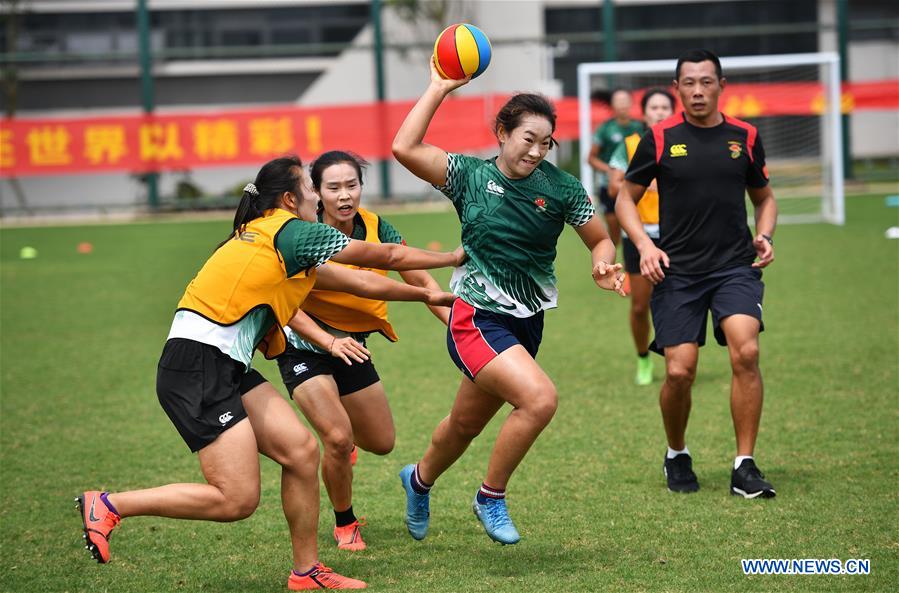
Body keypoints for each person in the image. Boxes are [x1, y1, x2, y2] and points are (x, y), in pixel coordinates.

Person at [77, 155, 462, 590]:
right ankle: (109, 505)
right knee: (236, 499)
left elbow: (361, 283)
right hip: (198, 366)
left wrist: (438, 300)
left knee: (301, 451)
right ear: (288, 199)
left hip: (223, 365)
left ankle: (306, 571)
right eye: (313, 191)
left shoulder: (274, 237)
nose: (321, 198)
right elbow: (385, 255)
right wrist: (452, 255)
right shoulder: (291, 232)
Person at [390, 58, 626, 546]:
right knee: (539, 400)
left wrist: (602, 263)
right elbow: (404, 147)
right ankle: (490, 496)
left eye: (547, 143)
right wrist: (438, 88)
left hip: (528, 320)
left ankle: (418, 480)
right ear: (502, 132)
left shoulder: (561, 189)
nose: (537, 151)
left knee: (463, 425)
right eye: (528, 139)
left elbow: (601, 241)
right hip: (475, 316)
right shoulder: (468, 176)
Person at [615, 49, 779, 498]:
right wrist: (645, 246)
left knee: (746, 352)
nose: (698, 90)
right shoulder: (660, 137)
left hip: (734, 267)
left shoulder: (744, 136)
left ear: (721, 85)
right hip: (679, 271)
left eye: (706, 81)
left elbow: (764, 198)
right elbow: (625, 198)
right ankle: (676, 452)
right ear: (677, 89)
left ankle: (744, 465)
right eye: (689, 83)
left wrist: (764, 235)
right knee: (680, 371)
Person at [275, 150, 450, 552]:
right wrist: (325, 340)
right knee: (336, 438)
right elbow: (283, 304)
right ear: (315, 193)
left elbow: (422, 282)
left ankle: (344, 451)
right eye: (332, 187)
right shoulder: (301, 231)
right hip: (302, 347)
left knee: (382, 441)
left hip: (353, 348)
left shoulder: (374, 227)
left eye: (351, 185)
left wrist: (459, 326)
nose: (343, 195)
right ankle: (345, 522)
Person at [608, 88, 676, 386]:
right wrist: (642, 185)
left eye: (665, 107)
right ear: (644, 113)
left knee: (677, 300)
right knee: (640, 304)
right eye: (654, 107)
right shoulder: (631, 145)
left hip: (676, 234)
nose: (660, 112)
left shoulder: (683, 143)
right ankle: (643, 358)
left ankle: (677, 358)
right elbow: (613, 188)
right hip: (639, 235)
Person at [587, 88, 644, 246]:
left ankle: (633, 260)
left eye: (625, 100)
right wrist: (612, 169)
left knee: (634, 225)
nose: (622, 105)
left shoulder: (640, 127)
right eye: (618, 101)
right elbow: (591, 159)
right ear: (612, 105)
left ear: (631, 103)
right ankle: (612, 257)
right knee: (613, 226)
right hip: (609, 184)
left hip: (634, 183)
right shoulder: (605, 129)